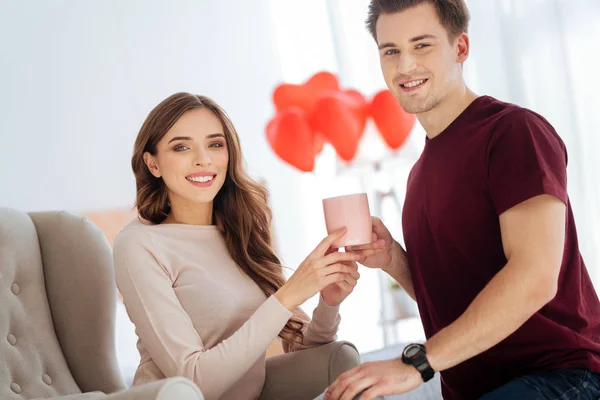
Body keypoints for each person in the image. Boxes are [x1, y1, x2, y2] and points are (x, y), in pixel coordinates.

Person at [325, 1, 600, 399]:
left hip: (561, 377)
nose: (404, 67)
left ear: (461, 48)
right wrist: (393, 260)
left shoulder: (512, 132)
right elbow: (454, 305)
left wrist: (415, 364)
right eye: (391, 51)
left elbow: (536, 277)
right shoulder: (420, 173)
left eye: (422, 46)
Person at [112, 92, 363, 400]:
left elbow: (304, 349)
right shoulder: (139, 244)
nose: (203, 159)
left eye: (215, 144)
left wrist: (328, 301)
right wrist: (290, 293)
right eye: (181, 147)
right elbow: (193, 381)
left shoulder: (239, 230)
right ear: (152, 163)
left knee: (351, 369)